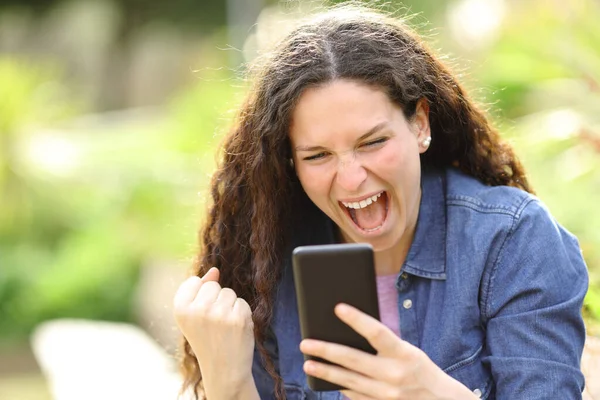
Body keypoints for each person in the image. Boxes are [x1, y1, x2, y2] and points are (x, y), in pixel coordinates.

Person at [172, 5, 589, 400]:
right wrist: (227, 381)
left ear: (420, 124)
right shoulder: (269, 259)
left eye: (372, 142)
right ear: (290, 163)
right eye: (317, 155)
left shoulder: (512, 241)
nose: (352, 178)